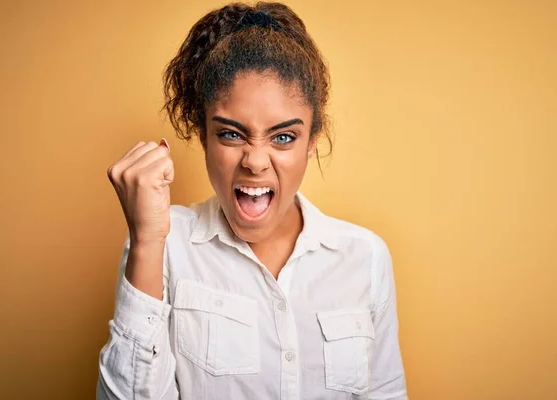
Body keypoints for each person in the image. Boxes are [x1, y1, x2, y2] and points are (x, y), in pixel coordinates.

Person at [97, 2, 407, 399]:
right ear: (203, 135)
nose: (255, 162)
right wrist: (146, 240)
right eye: (231, 134)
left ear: (312, 141)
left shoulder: (365, 257)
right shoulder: (163, 245)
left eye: (283, 137)